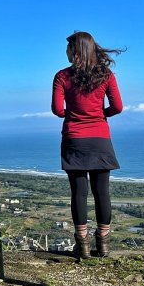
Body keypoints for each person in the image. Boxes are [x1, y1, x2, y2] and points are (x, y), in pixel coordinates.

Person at [51, 32, 123, 259]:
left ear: (75, 50)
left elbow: (57, 110)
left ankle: (82, 246)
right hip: (100, 138)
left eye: (68, 48)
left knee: (79, 193)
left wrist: (73, 114)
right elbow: (118, 107)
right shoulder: (106, 75)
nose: (66, 53)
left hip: (74, 138)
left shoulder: (62, 76)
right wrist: (101, 114)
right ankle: (103, 245)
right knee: (102, 192)